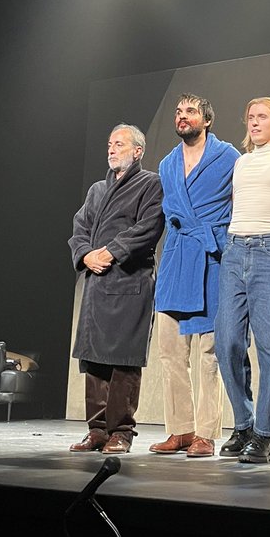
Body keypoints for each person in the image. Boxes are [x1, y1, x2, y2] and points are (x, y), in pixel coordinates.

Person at [214, 98, 270, 464]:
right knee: (227, 342)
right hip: (235, 250)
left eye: (262, 117)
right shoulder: (241, 160)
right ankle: (244, 422)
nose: (254, 122)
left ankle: (264, 435)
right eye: (250, 117)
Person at [150, 94, 240, 459]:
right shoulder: (167, 163)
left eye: (190, 111)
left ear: (206, 119)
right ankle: (180, 429)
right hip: (176, 256)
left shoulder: (228, 156)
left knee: (209, 354)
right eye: (178, 111)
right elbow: (169, 207)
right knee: (170, 351)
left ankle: (206, 433)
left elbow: (245, 199)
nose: (182, 116)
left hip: (211, 257)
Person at [68, 124, 165, 454]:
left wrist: (110, 251)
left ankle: (121, 431)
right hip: (97, 283)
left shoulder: (150, 184)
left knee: (123, 360)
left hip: (129, 281)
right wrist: (86, 254)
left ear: (137, 151)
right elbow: (79, 227)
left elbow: (148, 227)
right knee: (93, 359)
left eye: (119, 144)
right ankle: (96, 430)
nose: (111, 149)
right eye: (109, 144)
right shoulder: (97, 190)